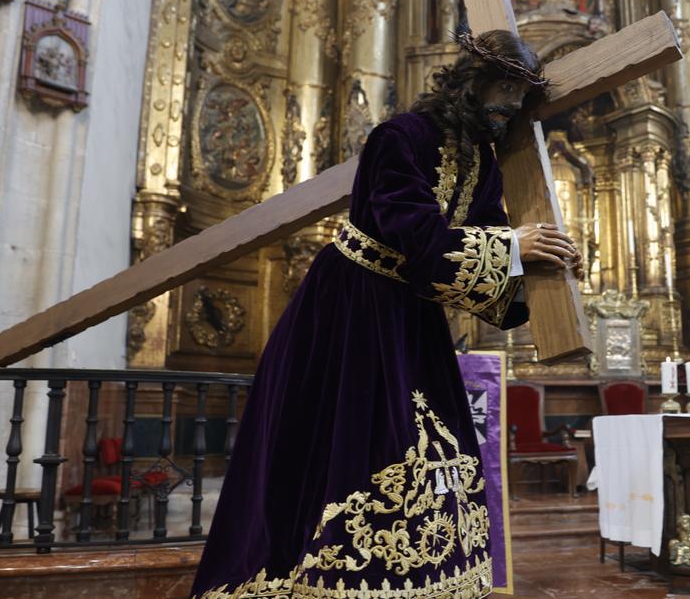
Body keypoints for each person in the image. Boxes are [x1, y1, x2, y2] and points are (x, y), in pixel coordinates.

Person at [191, 30, 582, 599]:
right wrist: (515, 247)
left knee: (435, 450)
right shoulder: (401, 137)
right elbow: (415, 235)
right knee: (353, 446)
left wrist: (545, 265)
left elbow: (489, 241)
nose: (512, 109)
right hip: (350, 309)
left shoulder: (482, 163)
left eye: (521, 97)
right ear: (473, 83)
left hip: (411, 316)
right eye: (506, 91)